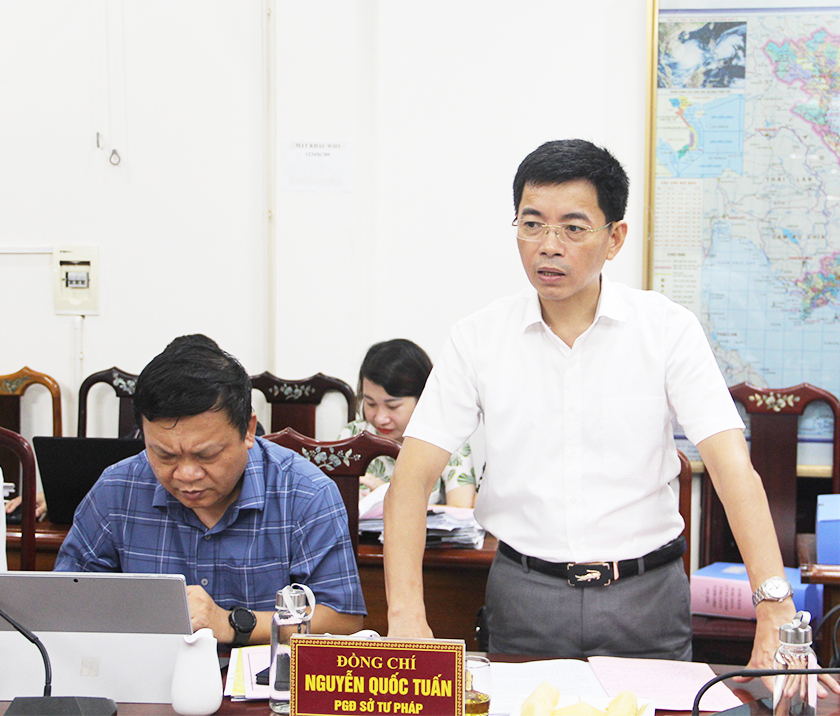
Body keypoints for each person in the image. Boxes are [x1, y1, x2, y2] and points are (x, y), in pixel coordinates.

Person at [382, 139, 840, 693]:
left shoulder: (666, 329)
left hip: (645, 600)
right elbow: (410, 480)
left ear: (614, 237)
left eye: (573, 228)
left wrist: (774, 607)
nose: (548, 246)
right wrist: (406, 618)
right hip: (525, 597)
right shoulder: (478, 338)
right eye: (532, 224)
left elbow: (731, 469)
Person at [56, 334, 365, 644]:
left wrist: (231, 624)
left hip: (262, 672)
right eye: (165, 455)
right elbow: (64, 601)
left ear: (248, 430)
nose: (186, 474)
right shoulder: (117, 489)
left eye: (207, 455)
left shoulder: (305, 494)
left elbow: (342, 619)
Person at [338, 339, 476, 507]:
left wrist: (388, 499)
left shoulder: (448, 438)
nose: (380, 418)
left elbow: (460, 509)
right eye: (371, 404)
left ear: (422, 399)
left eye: (392, 406)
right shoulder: (352, 436)